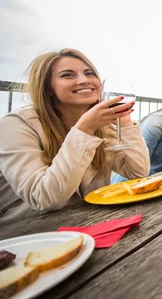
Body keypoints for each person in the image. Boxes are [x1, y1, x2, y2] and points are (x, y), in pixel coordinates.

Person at [0, 49, 150, 225]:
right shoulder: (15, 126)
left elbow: (138, 172)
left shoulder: (103, 126)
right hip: (28, 234)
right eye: (68, 75)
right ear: (48, 87)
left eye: (89, 73)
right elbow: (44, 198)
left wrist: (125, 124)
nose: (84, 80)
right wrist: (85, 129)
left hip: (88, 224)